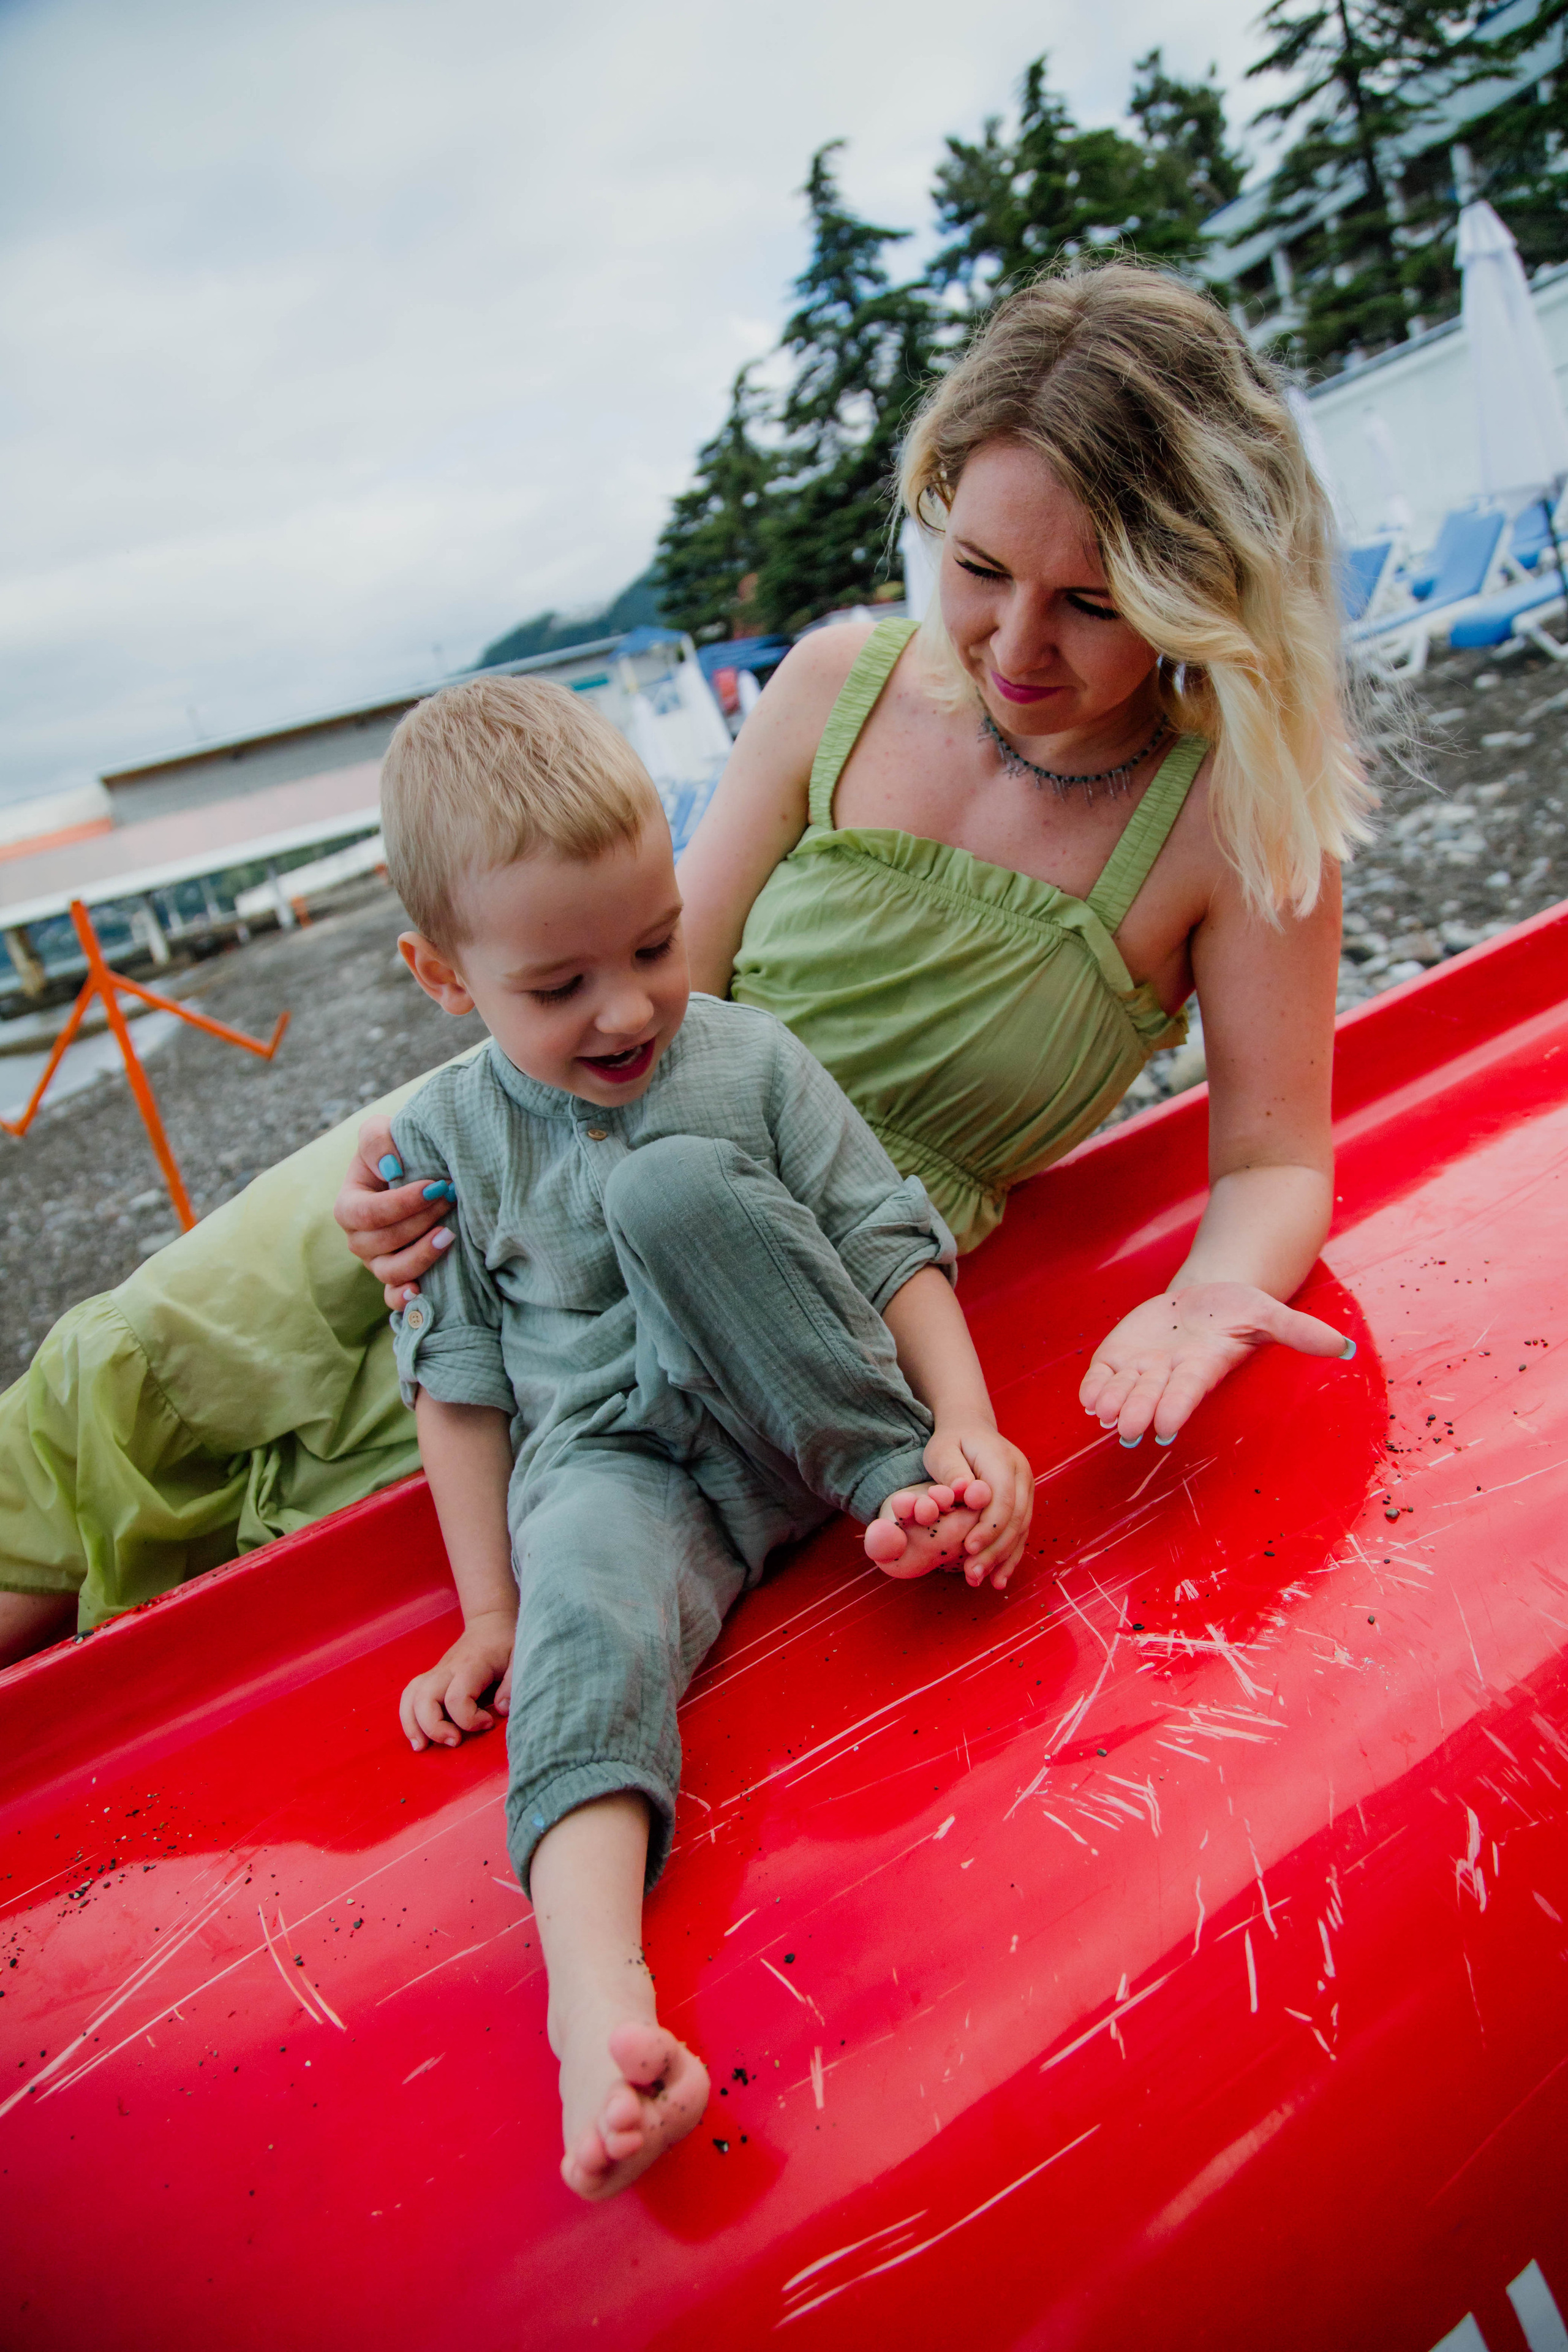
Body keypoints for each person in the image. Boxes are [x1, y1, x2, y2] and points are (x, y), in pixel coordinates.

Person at [0, 258, 1362, 1666]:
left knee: (284, 1564)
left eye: (1091, 601)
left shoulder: (1232, 814)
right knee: (120, 1383)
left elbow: (1271, 1159)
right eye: (977, 568)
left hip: (750, 1278)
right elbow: (644, 975)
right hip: (521, 1129)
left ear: (1197, 584)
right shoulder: (839, 686)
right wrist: (415, 1165)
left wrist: (1204, 1294)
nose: (1016, 644)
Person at [369, 673, 1032, 2195]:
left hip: (795, 1410)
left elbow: (882, 1243)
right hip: (618, 1474)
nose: (626, 1008)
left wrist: (965, 1428)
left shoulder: (743, 1059)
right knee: (578, 1624)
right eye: (557, 986)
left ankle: (900, 1496)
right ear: (442, 974)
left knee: (663, 1186)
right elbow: (458, 1383)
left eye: (655, 945)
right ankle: (596, 2007)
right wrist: (491, 1613)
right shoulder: (434, 1149)